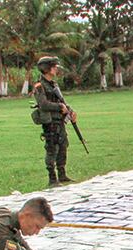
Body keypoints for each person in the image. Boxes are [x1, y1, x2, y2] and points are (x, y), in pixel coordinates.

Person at [31, 56, 75, 187]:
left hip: (59, 120)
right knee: (52, 148)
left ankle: (62, 174)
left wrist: (70, 111)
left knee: (63, 146)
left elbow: (61, 101)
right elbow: (43, 104)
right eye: (54, 66)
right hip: (50, 122)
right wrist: (59, 107)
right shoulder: (39, 86)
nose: (56, 69)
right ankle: (52, 178)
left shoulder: (54, 84)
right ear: (47, 68)